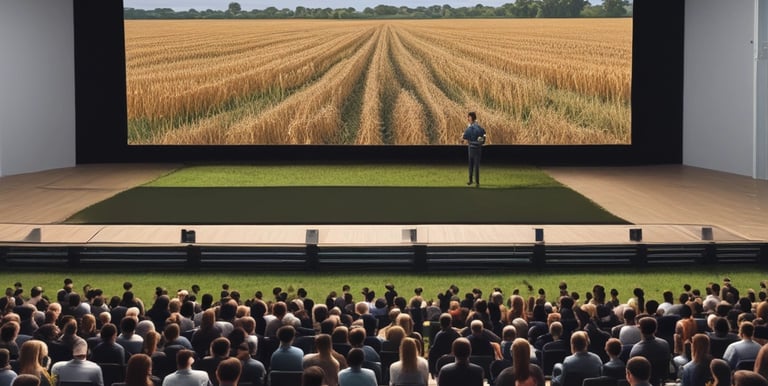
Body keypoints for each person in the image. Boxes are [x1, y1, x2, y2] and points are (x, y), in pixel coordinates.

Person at [462, 111, 486, 187]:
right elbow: (483, 138)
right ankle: (477, 182)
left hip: (471, 149)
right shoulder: (480, 128)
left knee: (471, 165)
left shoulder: (469, 128)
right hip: (478, 149)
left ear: (471, 118)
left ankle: (470, 181)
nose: (468, 118)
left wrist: (464, 139)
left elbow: (464, 140)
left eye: (468, 117)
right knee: (477, 166)